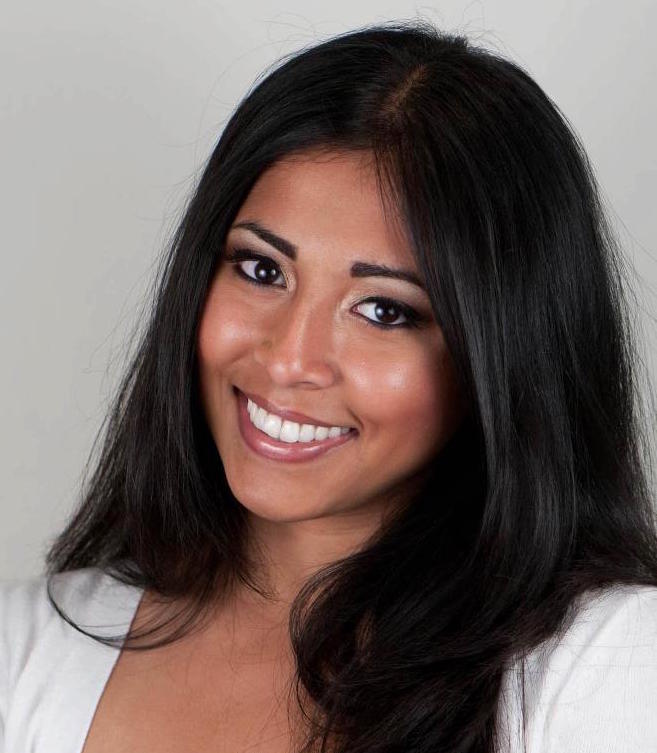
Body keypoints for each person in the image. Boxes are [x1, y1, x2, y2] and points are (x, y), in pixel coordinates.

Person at [2, 18, 657, 753]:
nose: (289, 359)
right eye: (260, 270)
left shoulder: (608, 665)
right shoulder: (27, 650)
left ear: (501, 360)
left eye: (384, 310)